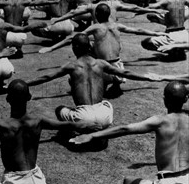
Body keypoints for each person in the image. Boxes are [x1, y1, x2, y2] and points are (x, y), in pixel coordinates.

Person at [71, 81, 189, 184]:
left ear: (164, 100)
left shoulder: (160, 121)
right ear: (186, 99)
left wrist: (92, 135)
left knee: (128, 182)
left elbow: (125, 128)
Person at [29, 33, 157, 134]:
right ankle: (96, 129)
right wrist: (149, 77)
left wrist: (25, 83)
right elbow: (126, 73)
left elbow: (46, 77)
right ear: (90, 47)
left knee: (59, 110)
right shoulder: (100, 63)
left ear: (74, 48)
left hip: (83, 117)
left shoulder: (72, 66)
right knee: (107, 103)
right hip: (104, 116)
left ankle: (71, 132)